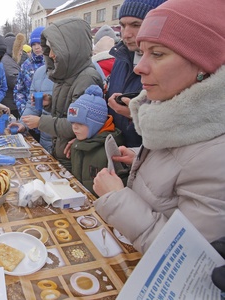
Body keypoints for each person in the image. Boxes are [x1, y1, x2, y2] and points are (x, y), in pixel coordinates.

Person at [93, 0, 225, 254]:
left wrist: (117, 199)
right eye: (142, 52)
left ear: (203, 63)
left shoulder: (217, 155)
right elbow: (180, 174)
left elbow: (187, 258)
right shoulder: (171, 116)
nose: (139, 67)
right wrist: (144, 163)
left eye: (158, 53)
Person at [23, 18, 103, 170]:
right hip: (64, 152)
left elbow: (78, 124)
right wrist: (51, 103)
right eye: (50, 49)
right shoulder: (68, 74)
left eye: (55, 49)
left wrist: (40, 122)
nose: (51, 54)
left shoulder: (86, 78)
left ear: (70, 48)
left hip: (74, 157)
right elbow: (71, 110)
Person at [106, 0, 166, 148]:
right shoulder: (120, 57)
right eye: (122, 25)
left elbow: (178, 126)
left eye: (136, 25)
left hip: (149, 156)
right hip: (117, 150)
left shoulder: (171, 64)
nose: (126, 34)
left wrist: (135, 115)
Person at [66, 85, 124, 196]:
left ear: (96, 124)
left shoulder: (109, 150)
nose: (74, 127)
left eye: (80, 124)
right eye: (72, 122)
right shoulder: (77, 143)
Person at [9, 65, 54, 153]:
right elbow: (32, 104)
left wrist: (41, 122)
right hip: (45, 140)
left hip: (67, 143)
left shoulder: (76, 74)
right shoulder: (40, 72)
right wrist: (23, 123)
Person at [13, 26, 45, 116]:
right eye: (34, 44)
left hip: (48, 119)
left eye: (39, 44)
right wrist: (24, 111)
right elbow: (18, 90)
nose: (37, 47)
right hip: (30, 116)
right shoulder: (26, 65)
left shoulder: (53, 64)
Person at [1, 32, 25, 119]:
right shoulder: (7, 62)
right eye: (20, 50)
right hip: (11, 105)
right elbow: (15, 81)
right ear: (13, 49)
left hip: (9, 102)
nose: (21, 53)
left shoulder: (7, 59)